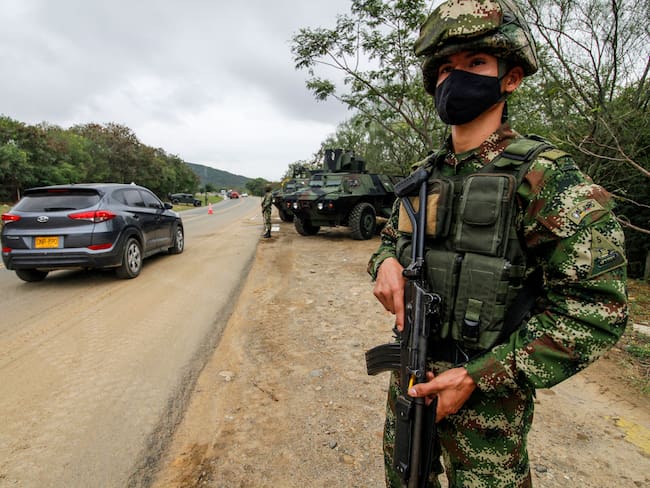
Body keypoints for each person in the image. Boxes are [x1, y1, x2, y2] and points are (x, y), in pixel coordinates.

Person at [367, 1, 628, 486]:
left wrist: (479, 375)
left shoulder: (546, 178)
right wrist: (385, 265)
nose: (456, 77)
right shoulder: (424, 177)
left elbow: (597, 309)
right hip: (410, 377)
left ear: (511, 78)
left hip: (488, 408)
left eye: (476, 63)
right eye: (446, 67)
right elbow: (389, 242)